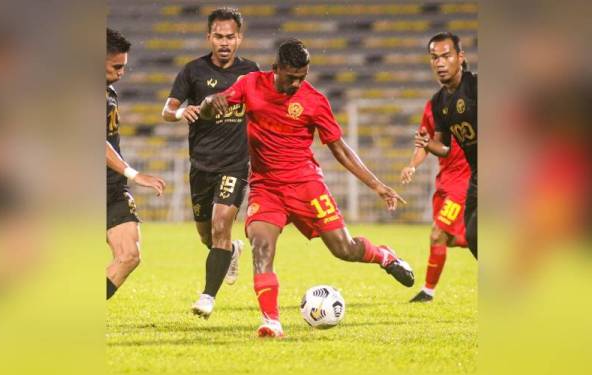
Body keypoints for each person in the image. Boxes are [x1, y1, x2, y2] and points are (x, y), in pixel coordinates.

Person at [200, 39, 415, 338]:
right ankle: (271, 321)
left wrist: (377, 185)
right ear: (275, 69)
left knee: (345, 249)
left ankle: (384, 256)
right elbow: (209, 109)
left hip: (306, 185)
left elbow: (339, 148)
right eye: (291, 78)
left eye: (303, 77)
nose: (297, 83)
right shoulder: (250, 84)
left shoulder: (314, 100)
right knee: (261, 246)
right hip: (266, 187)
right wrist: (211, 102)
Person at [161, 8, 259, 318]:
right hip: (201, 166)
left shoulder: (252, 73)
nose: (225, 42)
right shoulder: (193, 71)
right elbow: (167, 109)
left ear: (239, 38)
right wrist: (181, 113)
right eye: (218, 36)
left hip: (235, 164)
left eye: (230, 36)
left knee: (220, 226)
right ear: (209, 37)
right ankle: (231, 251)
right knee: (207, 236)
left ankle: (207, 297)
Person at [106, 28, 166, 300]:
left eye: (124, 67)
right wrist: (133, 173)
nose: (121, 73)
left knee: (129, 255)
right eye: (116, 66)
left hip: (110, 186)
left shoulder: (108, 91)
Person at [415, 32, 477, 259]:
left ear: (460, 57)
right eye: (434, 57)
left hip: (483, 176)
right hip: (466, 178)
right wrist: (425, 147)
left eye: (446, 56)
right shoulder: (438, 103)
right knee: (472, 237)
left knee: (442, 234)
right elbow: (444, 147)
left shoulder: (476, 88)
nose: (439, 63)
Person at [400, 100, 470, 302]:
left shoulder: (474, 101)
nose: (440, 66)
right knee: (447, 238)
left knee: (437, 233)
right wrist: (412, 165)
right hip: (444, 182)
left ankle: (428, 292)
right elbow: (425, 143)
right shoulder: (433, 106)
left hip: (464, 183)